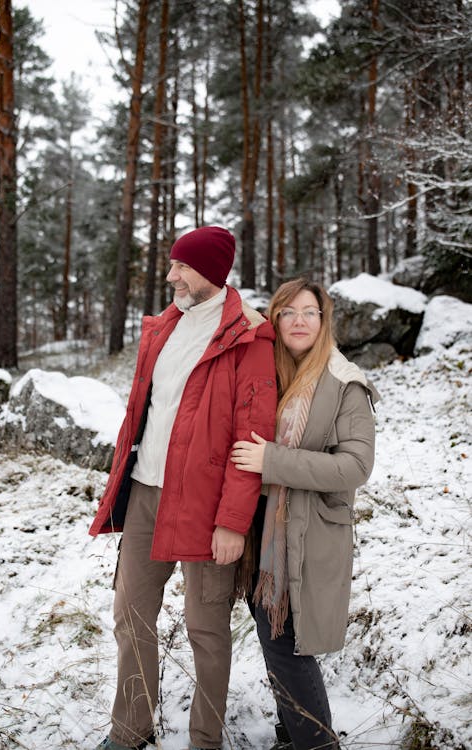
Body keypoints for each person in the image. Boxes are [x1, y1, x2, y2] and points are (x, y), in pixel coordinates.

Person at [90, 225, 277, 750]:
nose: (171, 275)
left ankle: (205, 740)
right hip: (147, 493)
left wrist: (232, 522)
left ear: (212, 274)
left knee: (206, 629)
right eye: (172, 264)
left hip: (208, 505)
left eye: (182, 267)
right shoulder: (163, 328)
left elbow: (252, 439)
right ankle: (129, 729)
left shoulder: (248, 337)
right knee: (129, 613)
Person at [231, 277, 379, 750]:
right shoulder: (267, 372)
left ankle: (316, 742)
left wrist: (273, 460)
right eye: (288, 311)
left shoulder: (343, 382)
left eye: (309, 312)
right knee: (271, 630)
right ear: (275, 318)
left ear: (324, 319)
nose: (299, 321)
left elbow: (355, 466)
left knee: (285, 640)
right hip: (263, 528)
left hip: (310, 530)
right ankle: (291, 729)